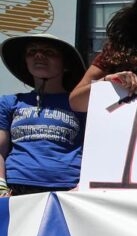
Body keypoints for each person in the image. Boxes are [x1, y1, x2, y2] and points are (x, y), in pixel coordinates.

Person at [0, 34, 87, 197]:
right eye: (31, 52)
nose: (39, 55)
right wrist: (1, 185)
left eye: (49, 52)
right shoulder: (9, 102)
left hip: (69, 189)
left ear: (65, 64)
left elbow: (93, 149)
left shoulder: (80, 104)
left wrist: (84, 185)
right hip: (16, 188)